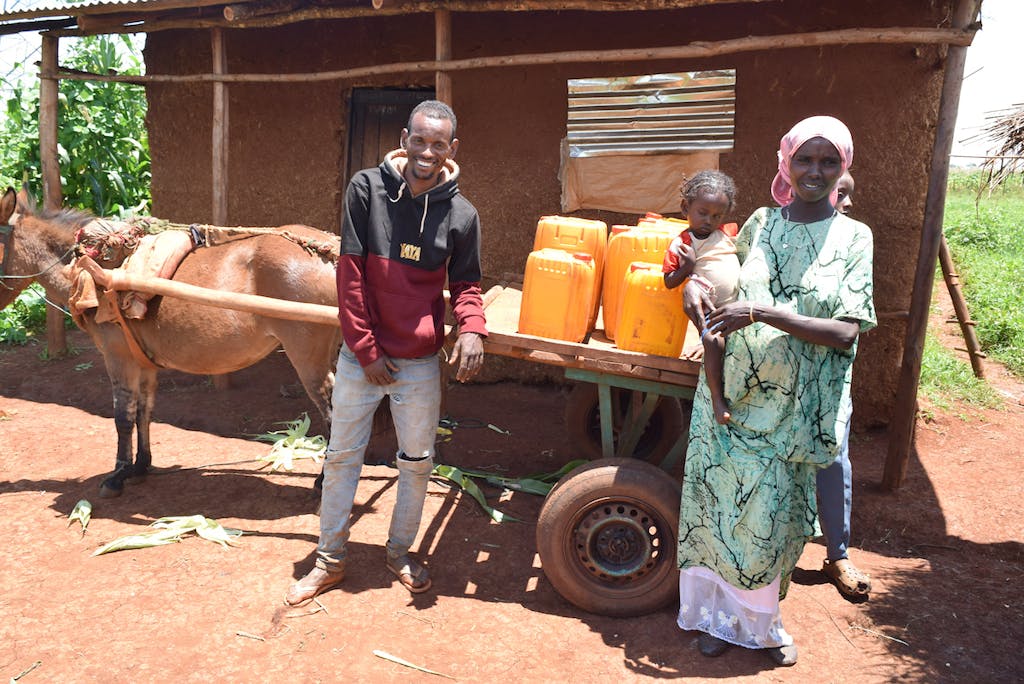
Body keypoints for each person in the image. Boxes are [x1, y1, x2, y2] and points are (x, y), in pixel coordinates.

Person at [675, 116, 875, 666]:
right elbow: (723, 278)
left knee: (769, 522)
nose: (815, 171)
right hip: (732, 396)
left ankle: (757, 624)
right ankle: (720, 619)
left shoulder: (854, 238)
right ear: (784, 161)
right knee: (718, 511)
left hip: (796, 408)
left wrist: (765, 313)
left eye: (828, 161)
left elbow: (845, 331)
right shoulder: (761, 222)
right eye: (804, 159)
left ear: (843, 168)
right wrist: (694, 287)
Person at [285, 100, 487, 605]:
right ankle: (329, 560)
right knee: (341, 458)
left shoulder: (461, 214)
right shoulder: (366, 189)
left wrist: (472, 330)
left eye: (438, 144)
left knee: (416, 462)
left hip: (419, 362)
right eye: (419, 139)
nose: (427, 151)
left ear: (452, 149)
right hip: (362, 360)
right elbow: (349, 278)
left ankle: (399, 552)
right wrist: (366, 350)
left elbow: (466, 285)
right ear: (404, 138)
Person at [817, 169, 872, 600]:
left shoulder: (855, 239)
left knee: (833, 459)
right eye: (843, 193)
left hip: (830, 372)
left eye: (848, 194)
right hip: (780, 371)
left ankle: (837, 553)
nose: (848, 202)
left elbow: (847, 326)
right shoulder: (773, 228)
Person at [662, 170, 740, 424]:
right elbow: (669, 281)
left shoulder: (727, 233)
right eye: (702, 213)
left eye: (717, 215)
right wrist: (688, 266)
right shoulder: (683, 243)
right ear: (686, 207)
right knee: (714, 342)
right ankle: (717, 399)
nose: (709, 220)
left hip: (737, 304)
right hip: (708, 304)